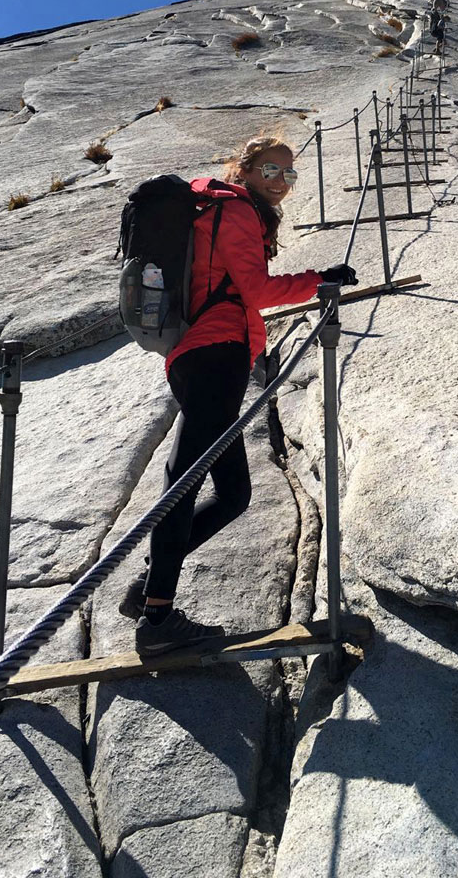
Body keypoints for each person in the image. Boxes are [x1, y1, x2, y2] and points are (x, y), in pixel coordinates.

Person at [128, 134, 357, 655]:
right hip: (216, 351)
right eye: (271, 172)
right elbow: (255, 291)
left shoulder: (227, 210)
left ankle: (145, 590)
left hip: (203, 352)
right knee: (185, 475)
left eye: (290, 175)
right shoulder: (233, 210)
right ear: (246, 170)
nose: (281, 184)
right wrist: (321, 279)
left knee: (232, 495)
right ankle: (159, 619)